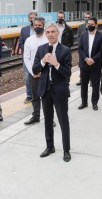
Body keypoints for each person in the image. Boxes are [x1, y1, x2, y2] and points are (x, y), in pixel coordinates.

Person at [33, 21, 72, 162]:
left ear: (58, 33)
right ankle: (50, 147)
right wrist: (43, 62)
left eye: (52, 32)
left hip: (60, 91)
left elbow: (67, 73)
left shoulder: (65, 50)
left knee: (63, 120)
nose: (50, 35)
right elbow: (34, 69)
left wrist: (57, 64)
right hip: (45, 90)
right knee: (48, 120)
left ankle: (66, 150)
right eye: (48, 32)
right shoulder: (41, 49)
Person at [23, 17, 48, 125]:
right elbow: (26, 58)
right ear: (33, 26)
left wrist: (42, 72)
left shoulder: (48, 39)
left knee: (47, 98)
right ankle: (36, 116)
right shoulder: (29, 40)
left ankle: (49, 118)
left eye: (40, 25)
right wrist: (33, 72)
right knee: (35, 97)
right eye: (35, 25)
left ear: (43, 26)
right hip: (33, 74)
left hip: (46, 73)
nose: (37, 27)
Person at [78, 17, 102, 111]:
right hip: (84, 64)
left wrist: (93, 59)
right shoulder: (83, 35)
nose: (90, 26)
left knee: (95, 84)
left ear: (96, 25)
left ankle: (94, 103)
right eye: (88, 24)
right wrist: (86, 59)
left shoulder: (101, 36)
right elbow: (80, 48)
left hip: (96, 64)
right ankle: (84, 102)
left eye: (92, 24)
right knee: (84, 84)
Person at [18, 11, 38, 103]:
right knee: (27, 77)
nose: (32, 20)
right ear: (28, 19)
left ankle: (39, 93)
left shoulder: (41, 28)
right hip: (27, 57)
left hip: (38, 56)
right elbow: (21, 42)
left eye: (34, 18)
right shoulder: (24, 30)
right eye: (30, 18)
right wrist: (27, 50)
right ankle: (29, 95)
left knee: (39, 75)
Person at [76, 11, 92, 86]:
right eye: (86, 17)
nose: (87, 19)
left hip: (91, 49)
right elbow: (78, 37)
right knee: (81, 65)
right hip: (82, 49)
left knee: (91, 64)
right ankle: (81, 79)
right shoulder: (80, 27)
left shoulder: (93, 26)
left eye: (88, 17)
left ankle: (91, 80)